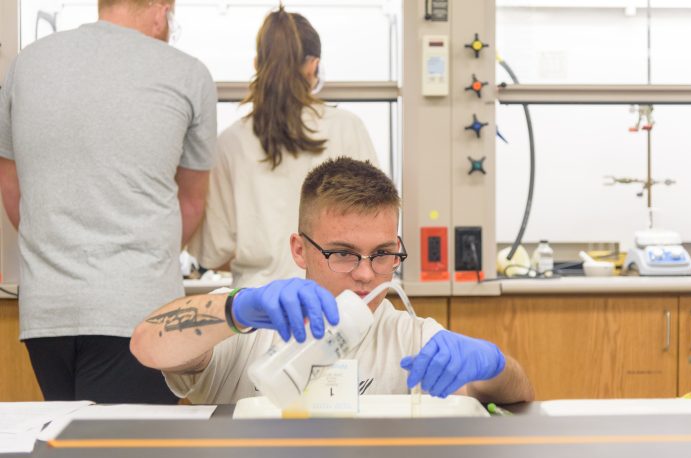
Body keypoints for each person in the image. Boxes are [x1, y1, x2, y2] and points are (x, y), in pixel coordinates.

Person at [131, 157, 534, 405]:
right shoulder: (246, 330)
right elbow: (147, 345)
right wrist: (237, 308)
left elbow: (521, 394)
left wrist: (495, 366)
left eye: (382, 254)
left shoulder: (409, 337)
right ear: (300, 249)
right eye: (342, 253)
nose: (365, 273)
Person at [0, 0, 217, 403]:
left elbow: (10, 185)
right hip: (140, 312)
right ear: (160, 9)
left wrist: (52, 243)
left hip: (47, 314)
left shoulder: (28, 64)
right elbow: (192, 203)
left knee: (69, 453)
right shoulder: (186, 73)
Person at [187, 7, 379, 289]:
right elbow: (375, 230)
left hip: (259, 308)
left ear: (257, 65)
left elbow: (212, 251)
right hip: (333, 303)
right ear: (313, 65)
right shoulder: (348, 128)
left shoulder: (231, 141)